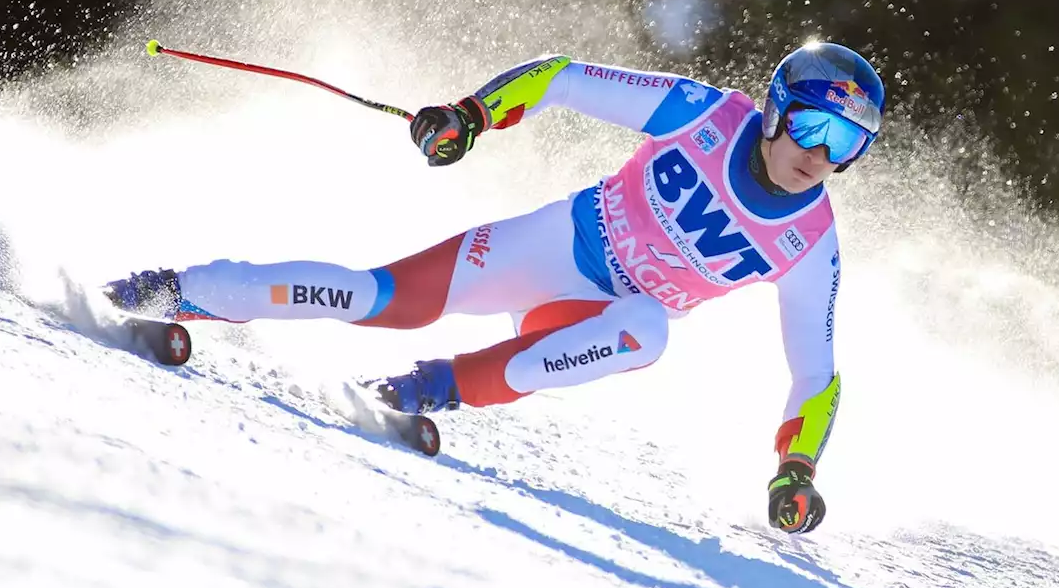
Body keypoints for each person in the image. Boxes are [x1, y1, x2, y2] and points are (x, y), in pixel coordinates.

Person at [104, 41, 885, 534]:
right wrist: (472, 115)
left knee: (650, 328)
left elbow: (815, 372)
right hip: (550, 247)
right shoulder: (706, 113)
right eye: (814, 125)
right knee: (383, 299)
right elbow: (566, 78)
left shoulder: (809, 244)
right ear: (778, 108)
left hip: (589, 317)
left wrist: (798, 469)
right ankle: (181, 289)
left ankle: (441, 385)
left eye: (847, 143)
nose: (821, 154)